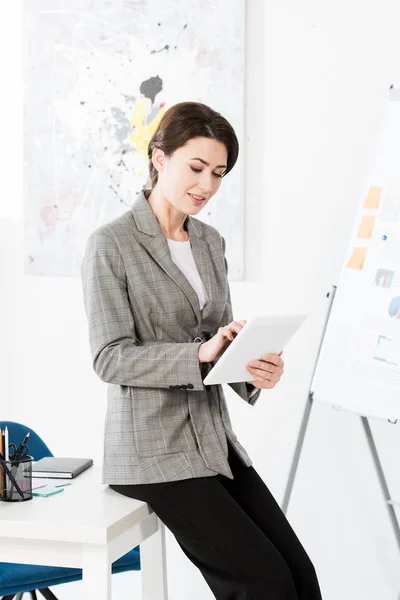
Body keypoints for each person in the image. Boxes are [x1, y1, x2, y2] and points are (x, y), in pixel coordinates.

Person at [81, 101, 323, 600]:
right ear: (159, 158)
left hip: (212, 443)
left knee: (300, 575)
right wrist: (198, 354)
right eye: (196, 168)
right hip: (151, 452)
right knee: (263, 583)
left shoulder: (210, 242)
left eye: (218, 173)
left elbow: (217, 344)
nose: (207, 186)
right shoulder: (111, 245)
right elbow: (110, 356)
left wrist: (252, 370)